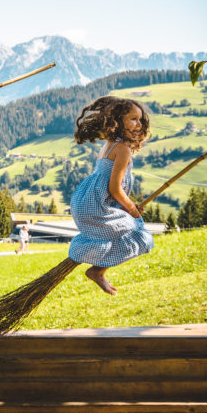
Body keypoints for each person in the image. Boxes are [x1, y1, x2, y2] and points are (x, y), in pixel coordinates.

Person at [67, 96, 155, 296]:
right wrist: (132, 209)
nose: (138, 124)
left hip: (85, 202)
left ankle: (98, 270)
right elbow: (115, 189)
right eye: (133, 119)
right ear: (117, 120)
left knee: (121, 231)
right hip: (94, 206)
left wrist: (126, 207)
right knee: (140, 236)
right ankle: (97, 270)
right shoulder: (123, 149)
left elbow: (110, 190)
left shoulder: (110, 144)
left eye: (140, 119)